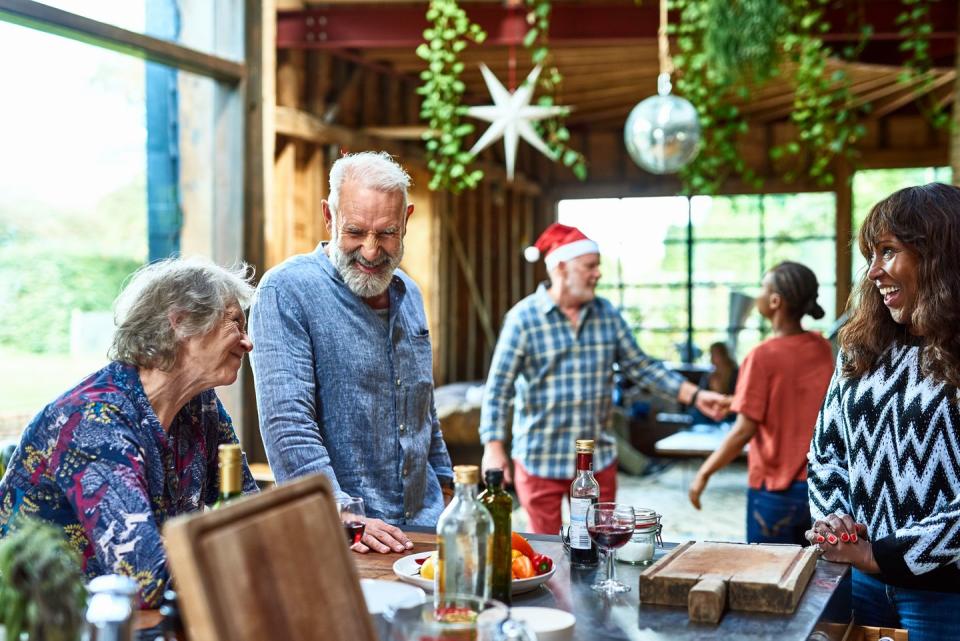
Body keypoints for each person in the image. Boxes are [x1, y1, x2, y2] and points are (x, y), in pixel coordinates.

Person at [0, 257, 258, 608]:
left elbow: (252, 516)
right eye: (235, 324)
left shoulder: (202, 407)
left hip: (138, 618)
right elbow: (144, 577)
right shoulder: (92, 419)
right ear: (180, 322)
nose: (247, 343)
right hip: (47, 620)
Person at [249, 151, 453, 554]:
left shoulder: (408, 293)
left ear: (407, 221)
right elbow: (287, 424)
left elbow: (421, 406)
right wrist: (340, 513)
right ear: (329, 216)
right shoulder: (286, 291)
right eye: (356, 231)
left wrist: (447, 485)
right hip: (348, 539)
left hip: (426, 530)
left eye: (387, 233)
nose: (372, 251)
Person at [479, 223, 730, 535]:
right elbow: (498, 389)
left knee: (599, 543)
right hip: (538, 457)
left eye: (598, 266)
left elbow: (641, 366)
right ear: (561, 267)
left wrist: (694, 395)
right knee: (546, 546)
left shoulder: (606, 314)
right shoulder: (523, 319)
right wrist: (493, 445)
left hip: (595, 462)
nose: (597, 274)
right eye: (590, 266)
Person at [806, 183, 960, 639]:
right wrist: (835, 523)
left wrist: (883, 555)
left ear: (939, 256)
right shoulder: (862, 349)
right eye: (870, 255)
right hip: (860, 584)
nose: (873, 271)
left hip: (944, 597)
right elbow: (826, 452)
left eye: (888, 252)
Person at [687, 261, 834, 545]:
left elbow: (744, 430)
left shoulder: (762, 355)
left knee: (772, 579)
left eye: (762, 289)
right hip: (818, 490)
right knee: (814, 579)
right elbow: (798, 397)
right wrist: (737, 401)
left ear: (775, 301)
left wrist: (703, 474)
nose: (758, 296)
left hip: (774, 492)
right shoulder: (821, 348)